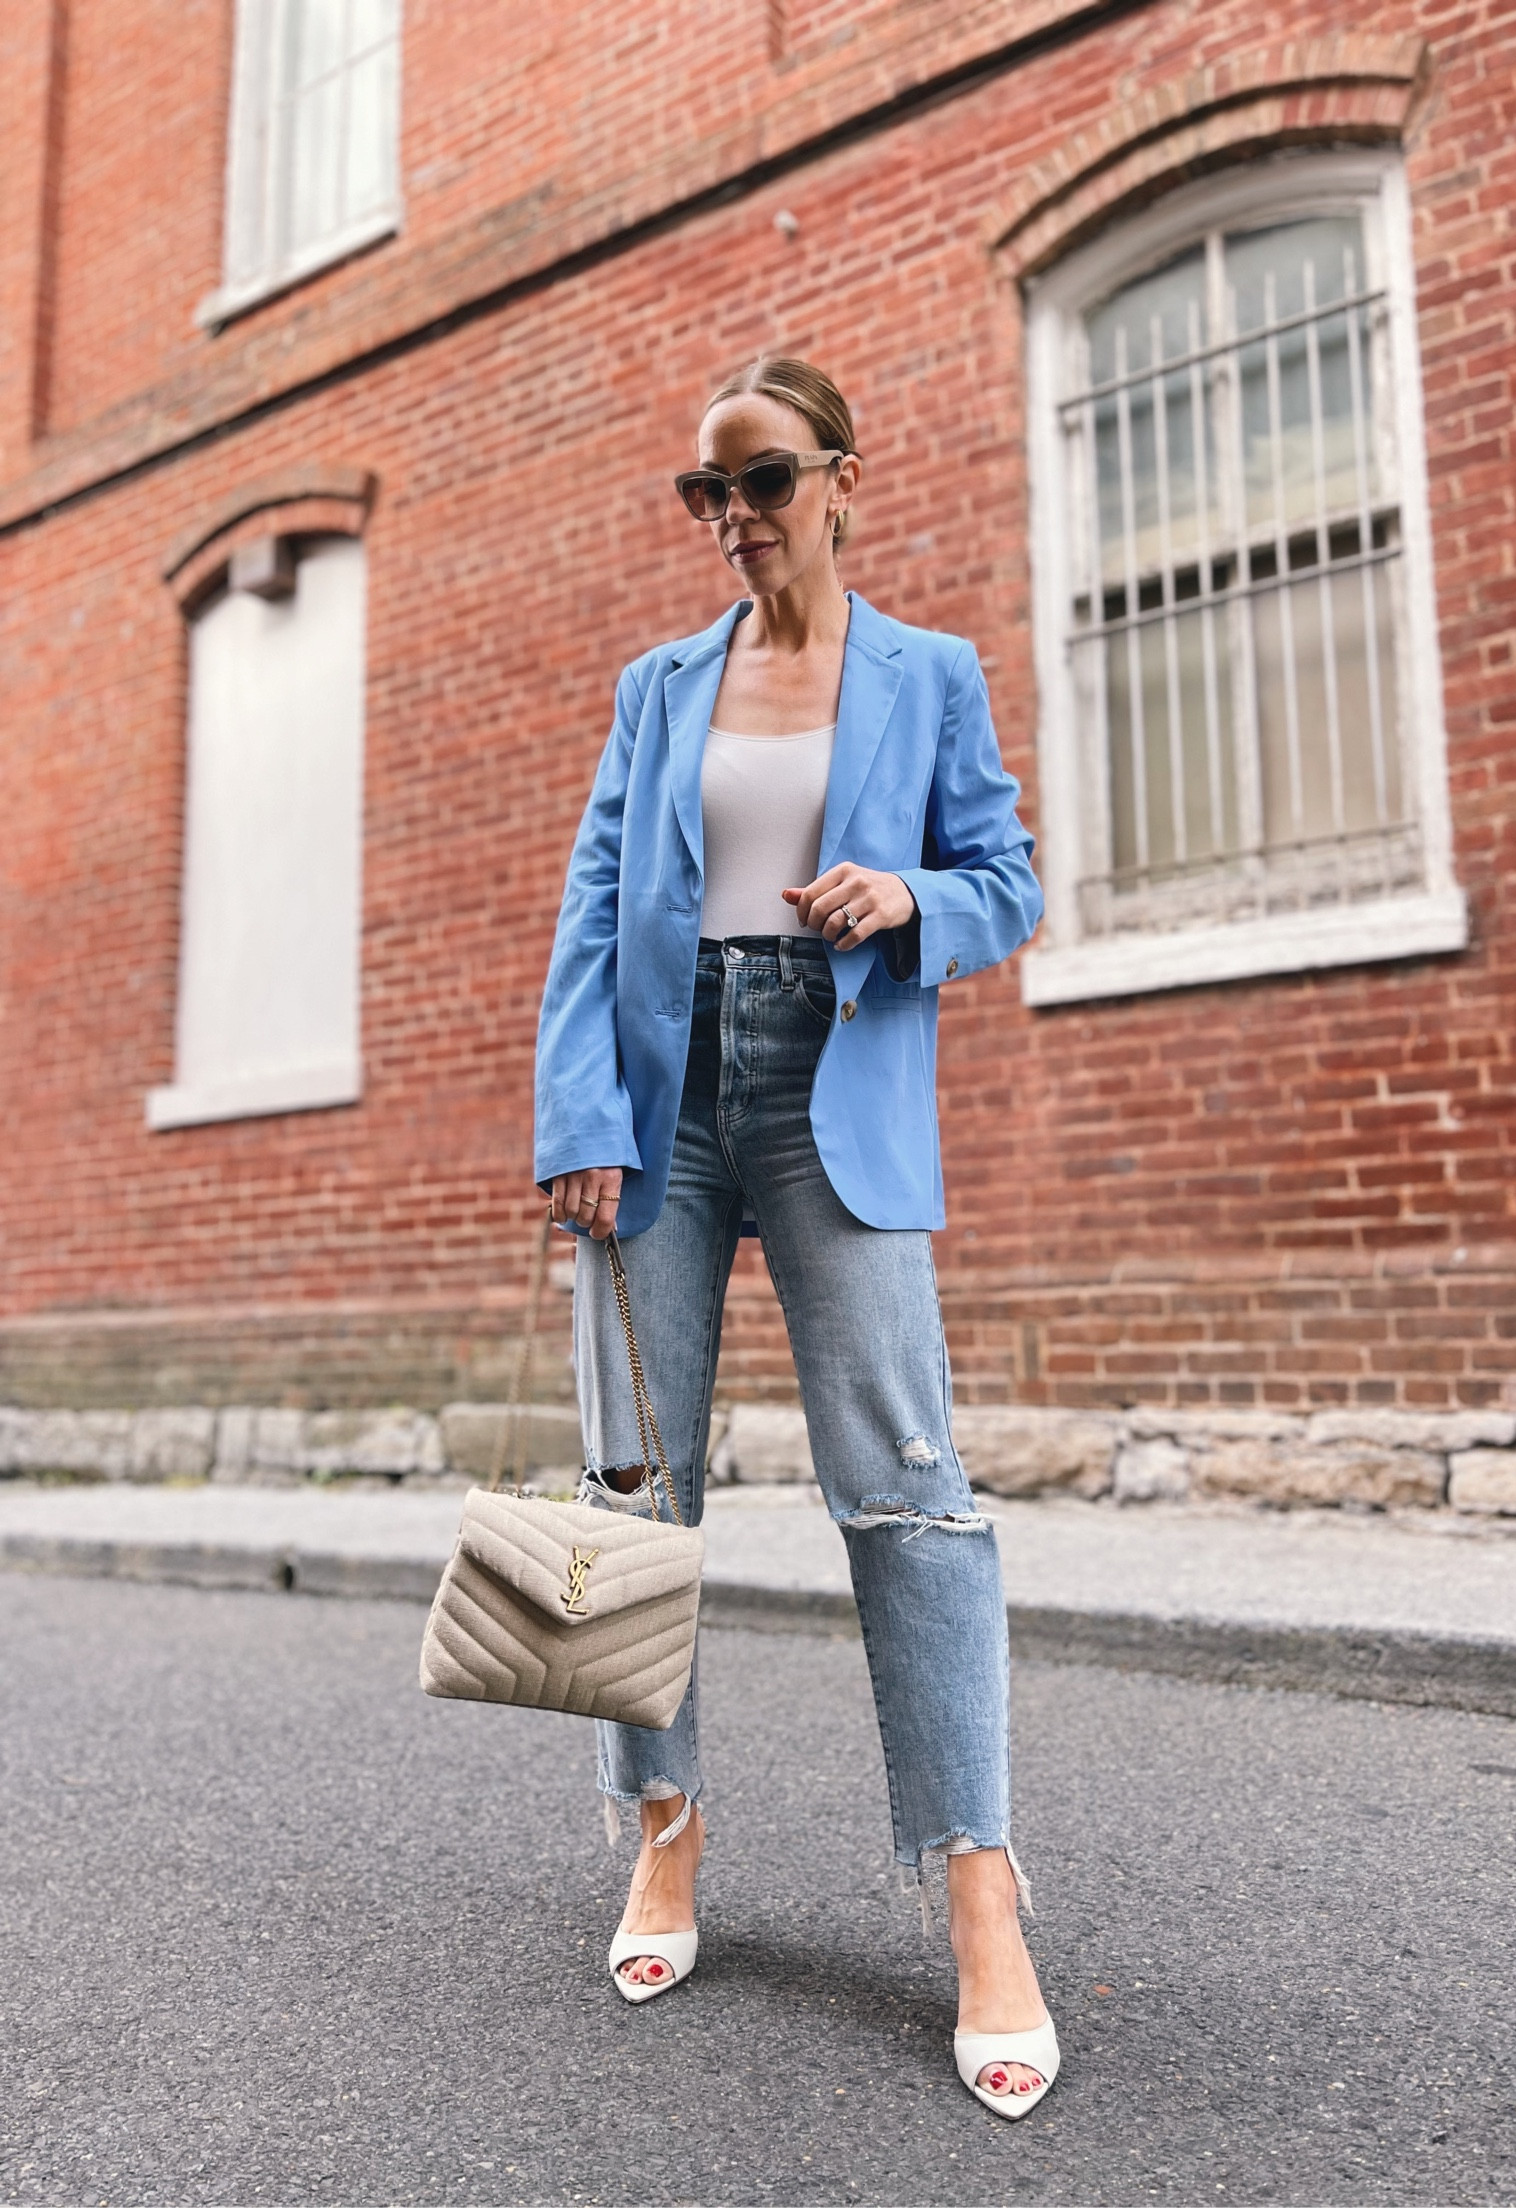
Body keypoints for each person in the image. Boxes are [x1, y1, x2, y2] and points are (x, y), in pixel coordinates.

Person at [533, 356, 1055, 2118]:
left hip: (835, 1083)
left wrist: (910, 897)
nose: (734, 519)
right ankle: (662, 1825)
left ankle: (978, 1884)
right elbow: (597, 904)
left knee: (909, 1489)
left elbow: (1009, 876)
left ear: (842, 474)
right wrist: (578, 1118)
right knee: (632, 1488)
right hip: (666, 1094)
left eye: (760, 481)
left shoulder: (931, 674)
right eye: (707, 493)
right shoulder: (658, 684)